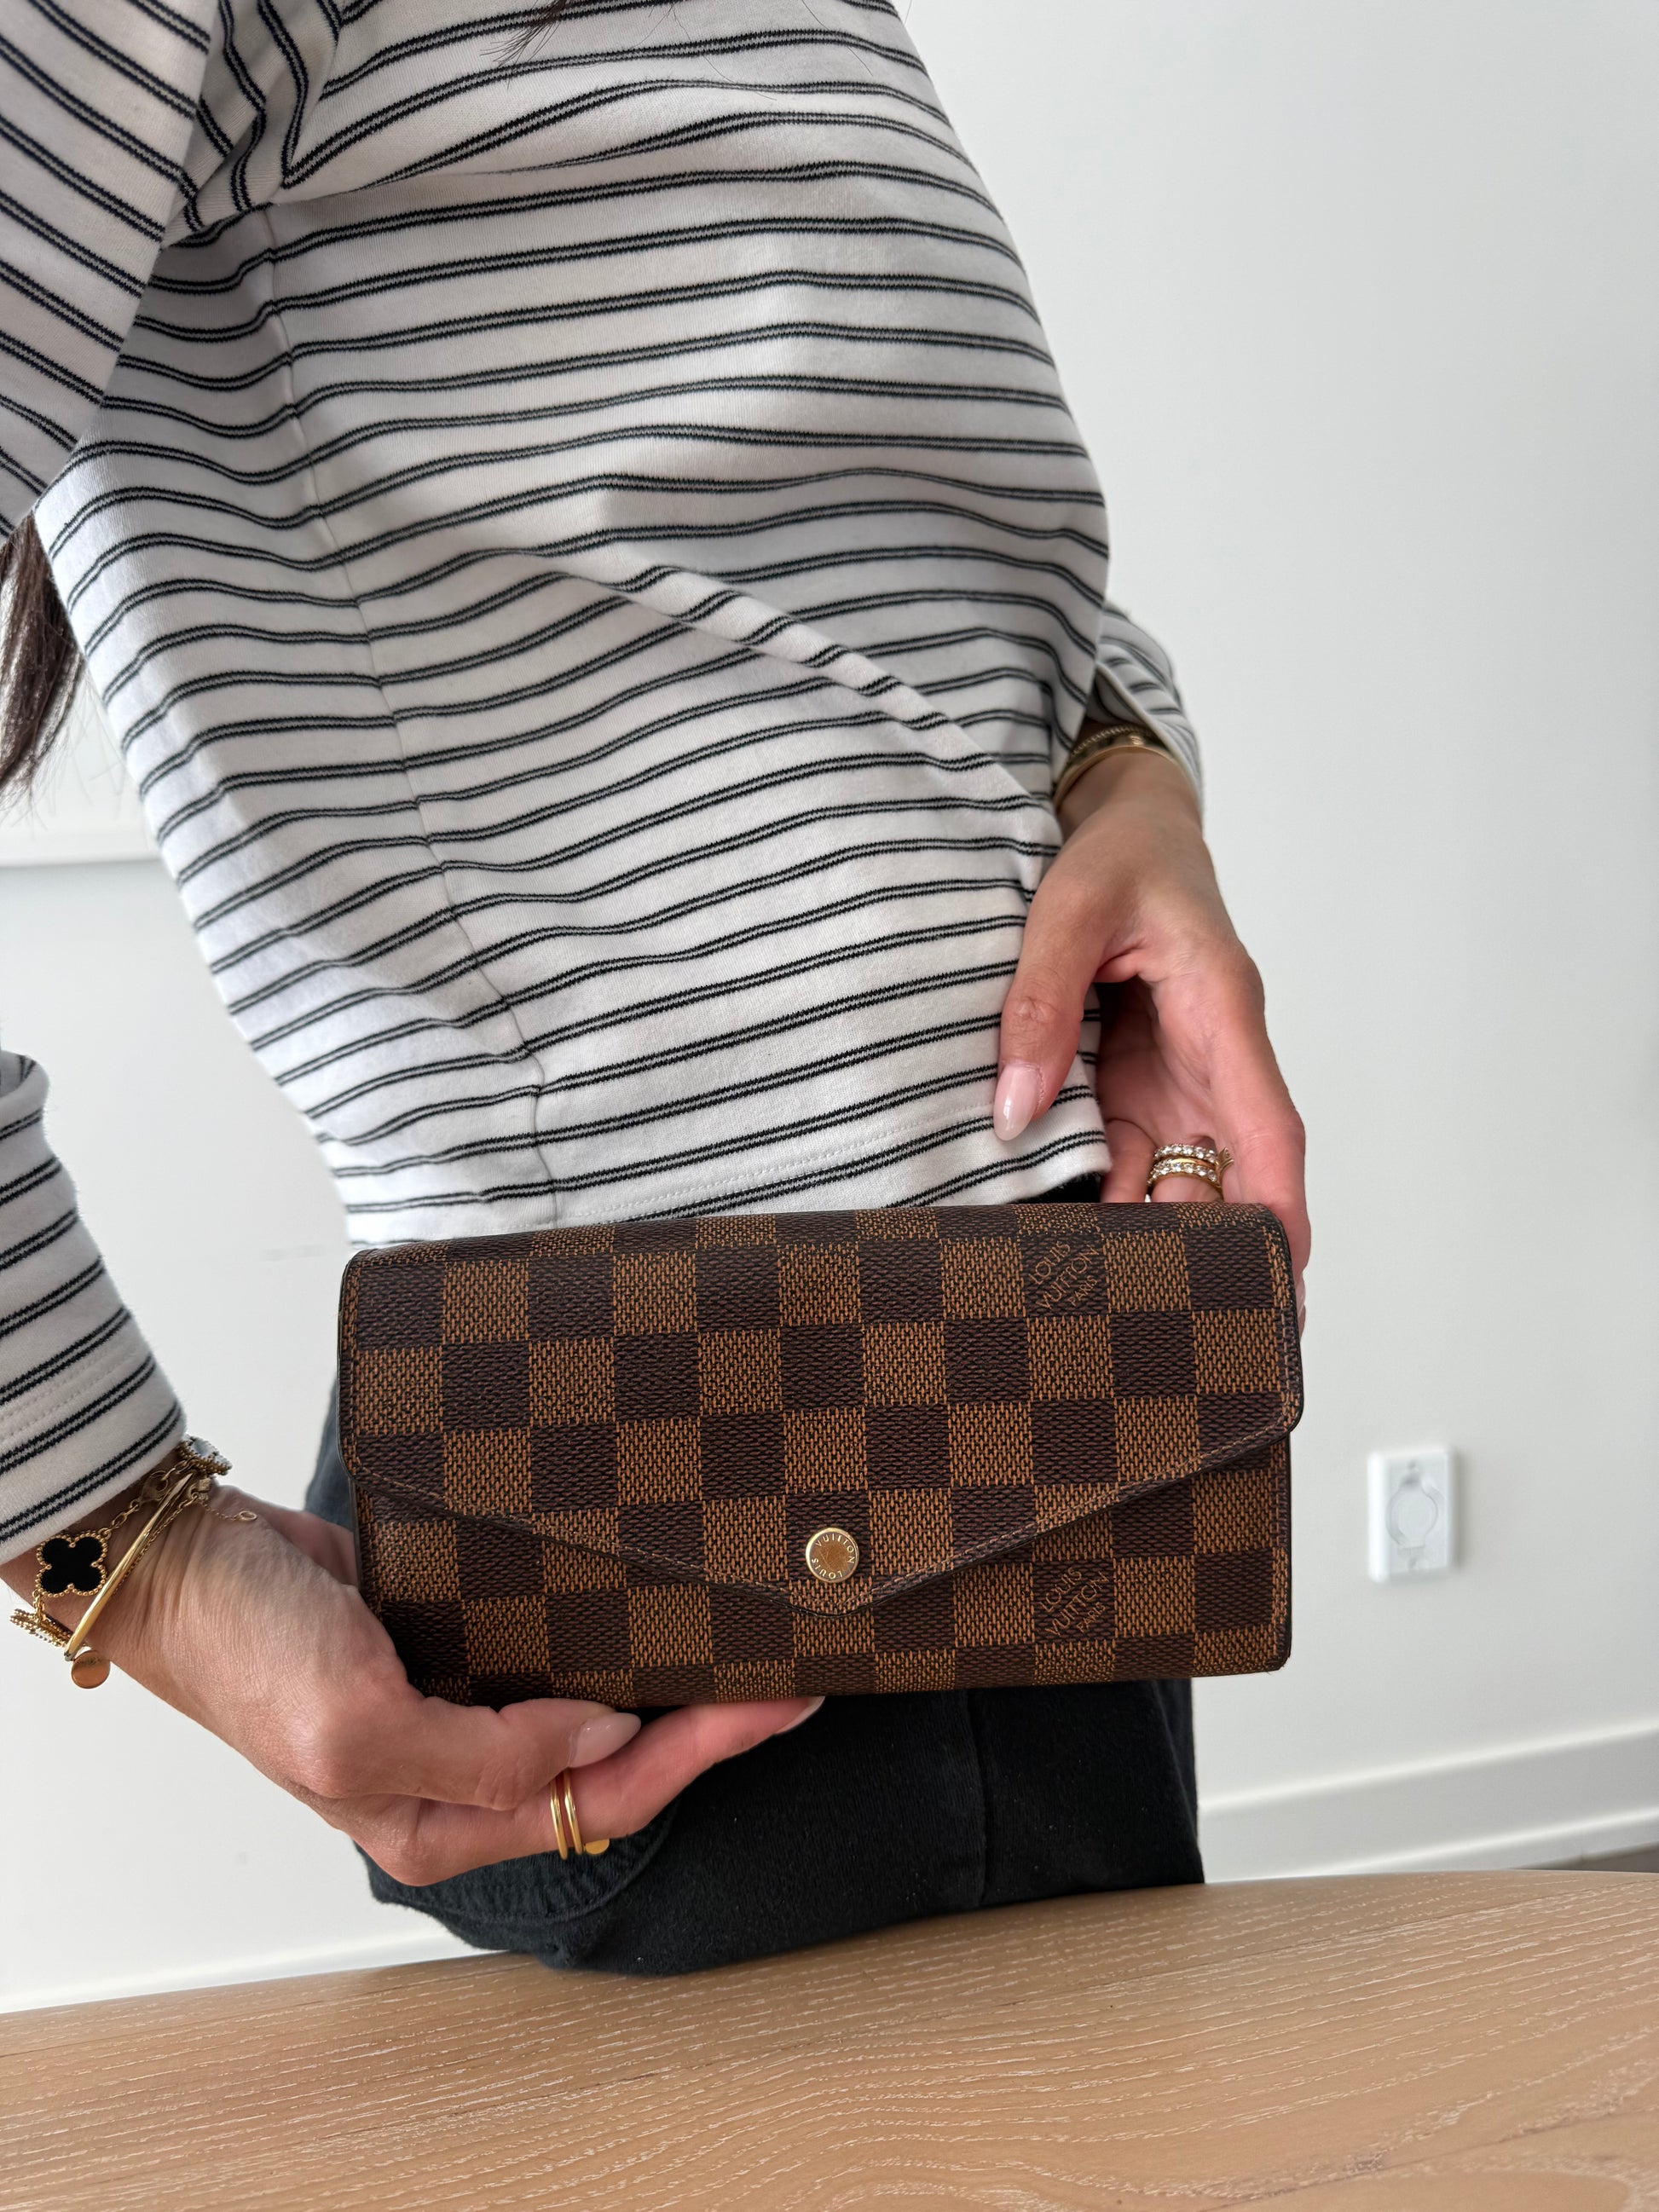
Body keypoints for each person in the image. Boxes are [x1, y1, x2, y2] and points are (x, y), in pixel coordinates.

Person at [0, 0, 1307, 1974]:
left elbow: (890, 544)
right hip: (688, 1459)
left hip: (1034, 1385)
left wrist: (1128, 769)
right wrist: (118, 1547)